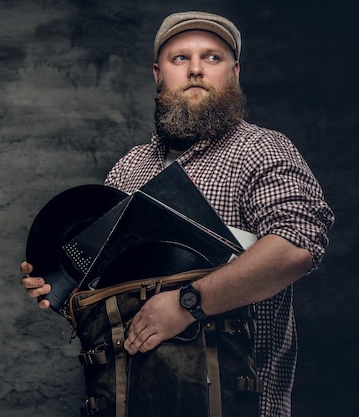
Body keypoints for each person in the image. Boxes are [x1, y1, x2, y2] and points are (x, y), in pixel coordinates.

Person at [21, 11, 334, 417]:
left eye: (213, 58)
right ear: (158, 74)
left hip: (237, 405)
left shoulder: (262, 150)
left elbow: (296, 247)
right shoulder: (129, 168)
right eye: (180, 58)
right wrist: (63, 291)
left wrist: (187, 303)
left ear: (235, 71)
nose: (196, 70)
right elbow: (110, 293)